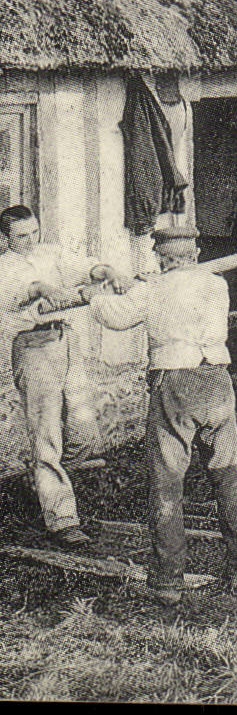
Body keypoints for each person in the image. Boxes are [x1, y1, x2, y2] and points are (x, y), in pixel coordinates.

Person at [88, 225, 237, 604]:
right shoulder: (216, 284)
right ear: (194, 254)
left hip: (176, 384)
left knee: (167, 484)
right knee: (227, 475)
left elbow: (115, 317)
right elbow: (176, 297)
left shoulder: (152, 289)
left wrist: (93, 296)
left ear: (161, 258)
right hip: (216, 379)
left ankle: (168, 583)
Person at [0, 204, 120, 547]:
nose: (30, 240)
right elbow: (19, 294)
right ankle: (62, 519)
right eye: (21, 236)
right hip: (34, 348)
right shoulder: (4, 267)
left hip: (66, 341)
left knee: (85, 433)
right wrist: (42, 289)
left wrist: (102, 270)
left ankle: (44, 480)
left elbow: (81, 268)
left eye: (34, 232)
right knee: (47, 435)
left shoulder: (50, 253)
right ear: (5, 238)